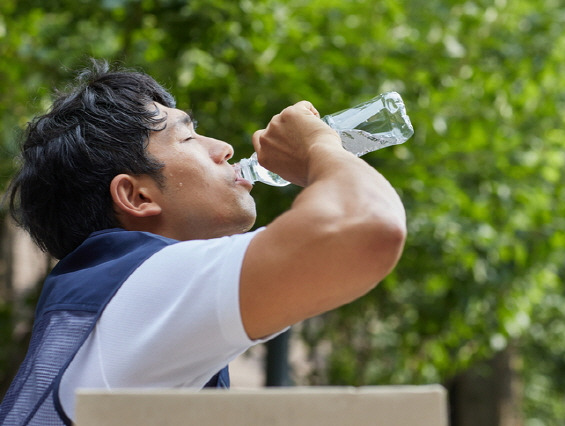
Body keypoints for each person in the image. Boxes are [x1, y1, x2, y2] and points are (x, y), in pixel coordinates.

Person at [0, 59, 406, 425]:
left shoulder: (112, 293)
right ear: (137, 196)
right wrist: (319, 145)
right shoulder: (145, 283)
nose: (226, 148)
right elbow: (368, 227)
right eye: (189, 138)